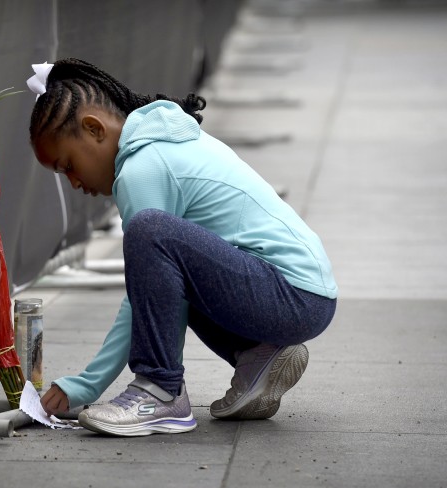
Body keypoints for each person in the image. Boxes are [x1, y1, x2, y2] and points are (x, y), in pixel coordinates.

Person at [26, 58, 337, 437]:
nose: (74, 182)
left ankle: (159, 391)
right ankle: (259, 354)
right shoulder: (161, 143)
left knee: (149, 232)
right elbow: (160, 291)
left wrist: (87, 384)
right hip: (305, 295)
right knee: (167, 269)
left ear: (94, 129)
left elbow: (139, 300)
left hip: (289, 293)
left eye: (69, 165)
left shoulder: (142, 167)